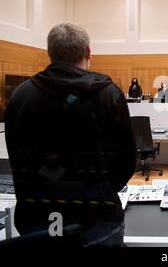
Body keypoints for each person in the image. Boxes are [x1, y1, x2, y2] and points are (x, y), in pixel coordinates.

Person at [4, 23, 136, 246]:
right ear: (88, 52)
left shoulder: (20, 95)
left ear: (50, 53)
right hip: (97, 220)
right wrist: (99, 191)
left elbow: (16, 154)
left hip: (37, 216)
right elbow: (126, 161)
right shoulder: (108, 94)